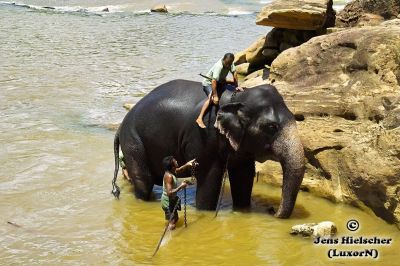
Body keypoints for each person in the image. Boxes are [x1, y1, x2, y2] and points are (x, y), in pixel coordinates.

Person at [196, 53, 243, 128]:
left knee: (232, 81)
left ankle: (226, 82)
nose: (228, 65)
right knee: (211, 99)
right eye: (227, 63)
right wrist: (215, 96)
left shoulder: (230, 63)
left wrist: (236, 86)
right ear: (224, 60)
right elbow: (213, 82)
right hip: (209, 83)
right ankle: (199, 118)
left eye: (230, 64)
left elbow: (234, 73)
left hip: (220, 80)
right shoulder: (219, 66)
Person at [161, 156, 197, 230]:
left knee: (176, 219)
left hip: (172, 200)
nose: (177, 161)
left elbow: (180, 169)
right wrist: (181, 186)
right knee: (172, 223)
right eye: (175, 161)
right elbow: (169, 193)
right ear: (172, 166)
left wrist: (187, 164)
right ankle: (168, 238)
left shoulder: (172, 171)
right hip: (168, 202)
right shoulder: (169, 176)